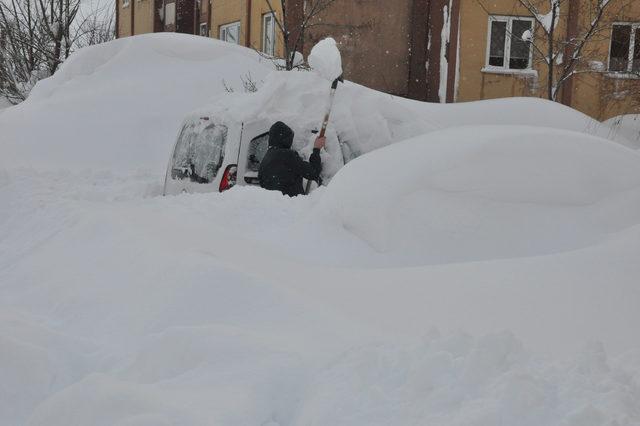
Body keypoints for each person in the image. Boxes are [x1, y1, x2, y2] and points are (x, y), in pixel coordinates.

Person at [259, 121, 325, 197]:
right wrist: (317, 149)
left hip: (273, 206)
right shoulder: (287, 156)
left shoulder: (264, 160)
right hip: (292, 205)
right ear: (285, 139)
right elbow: (313, 172)